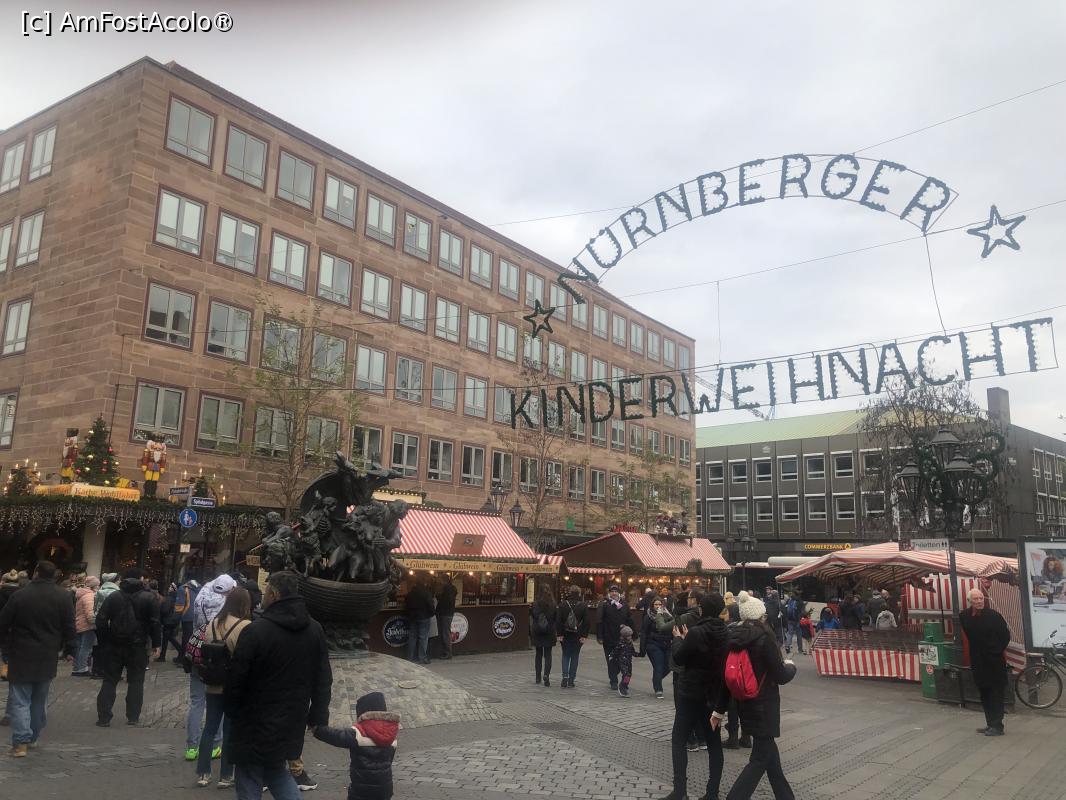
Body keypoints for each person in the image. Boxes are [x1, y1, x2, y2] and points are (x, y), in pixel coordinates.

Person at [224, 571, 332, 800]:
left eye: (265, 592)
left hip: (254, 721)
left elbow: (236, 679)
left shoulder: (256, 631)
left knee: (250, 775)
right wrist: (318, 716)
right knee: (276, 771)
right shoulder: (314, 630)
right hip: (292, 719)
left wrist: (232, 709)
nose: (262, 597)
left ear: (273, 594)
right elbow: (323, 678)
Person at [714, 591, 797, 800]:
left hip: (745, 703)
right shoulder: (764, 638)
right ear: (761, 616)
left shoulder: (734, 637)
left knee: (770, 757)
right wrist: (791, 666)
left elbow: (727, 676)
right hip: (765, 706)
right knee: (759, 760)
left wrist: (719, 710)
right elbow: (780, 676)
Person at [0, 561, 76, 757]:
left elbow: (3, 623)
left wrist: (4, 647)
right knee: (39, 699)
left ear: (36, 573)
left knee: (20, 699)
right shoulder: (63, 596)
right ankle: (33, 737)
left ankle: (21, 743)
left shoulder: (20, 595)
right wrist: (70, 648)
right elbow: (69, 625)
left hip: (21, 653)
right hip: (47, 654)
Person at [661, 592, 728, 800]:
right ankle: (712, 792)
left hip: (691, 692)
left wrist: (678, 639)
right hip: (713, 695)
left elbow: (679, 658)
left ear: (701, 609)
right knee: (714, 744)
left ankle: (680, 790)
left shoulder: (697, 632)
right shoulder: (726, 632)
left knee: (679, 739)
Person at [195, 586, 252, 787]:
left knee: (209, 727)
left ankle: (203, 773)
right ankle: (226, 775)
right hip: (233, 686)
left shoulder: (212, 624)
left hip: (212, 683)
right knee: (229, 730)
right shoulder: (244, 626)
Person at [94, 568, 161, 727]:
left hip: (114, 644)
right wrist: (156, 644)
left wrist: (105, 640)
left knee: (109, 680)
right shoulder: (149, 597)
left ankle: (104, 717)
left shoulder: (114, 596)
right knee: (136, 681)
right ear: (141, 579)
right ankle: (133, 716)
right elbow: (155, 623)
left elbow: (100, 620)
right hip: (138, 645)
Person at [185, 574, 235, 762]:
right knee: (217, 701)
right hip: (217, 655)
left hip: (199, 651)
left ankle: (191, 747)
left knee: (196, 702)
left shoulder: (201, 597)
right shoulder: (227, 604)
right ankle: (215, 745)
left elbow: (196, 624)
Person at [314, 691, 400, 800]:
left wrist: (317, 730)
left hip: (362, 790)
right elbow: (389, 760)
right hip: (385, 790)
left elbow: (337, 737)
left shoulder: (358, 732)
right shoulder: (391, 735)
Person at [958, 588, 1011, 736]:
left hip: (994, 661)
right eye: (976, 599)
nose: (979, 601)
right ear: (969, 601)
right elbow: (969, 636)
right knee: (984, 692)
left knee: (996, 693)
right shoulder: (964, 616)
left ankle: (998, 726)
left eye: (981, 598)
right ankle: (990, 723)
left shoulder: (994, 616)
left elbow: (1005, 636)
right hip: (978, 660)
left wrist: (996, 650)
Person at [597, 584, 634, 691]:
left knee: (621, 660)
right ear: (609, 593)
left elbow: (629, 619)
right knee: (611, 660)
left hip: (622, 638)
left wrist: (633, 633)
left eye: (616, 591)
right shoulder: (604, 604)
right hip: (608, 637)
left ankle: (617, 674)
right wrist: (600, 636)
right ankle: (613, 680)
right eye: (612, 591)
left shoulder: (624, 604)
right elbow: (599, 621)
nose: (614, 593)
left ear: (619, 593)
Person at [556, 586, 589, 688]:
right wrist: (584, 635)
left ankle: (565, 676)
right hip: (578, 635)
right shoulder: (583, 606)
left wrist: (559, 634)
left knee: (565, 655)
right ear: (579, 593)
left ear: (569, 593)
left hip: (565, 634)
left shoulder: (563, 605)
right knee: (575, 656)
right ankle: (571, 680)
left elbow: (558, 621)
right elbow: (587, 622)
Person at [641, 596, 673, 698]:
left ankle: (656, 679)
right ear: (652, 606)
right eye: (656, 604)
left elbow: (672, 628)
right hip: (653, 644)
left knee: (669, 666)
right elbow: (644, 633)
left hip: (666, 644)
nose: (658, 606)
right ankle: (658, 689)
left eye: (660, 604)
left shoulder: (667, 615)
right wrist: (642, 649)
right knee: (658, 666)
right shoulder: (648, 617)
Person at [72, 576, 99, 676]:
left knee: (80, 647)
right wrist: (94, 623)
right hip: (88, 625)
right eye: (97, 585)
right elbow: (90, 612)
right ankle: (82, 668)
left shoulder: (81, 594)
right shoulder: (89, 595)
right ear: (94, 585)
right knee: (86, 648)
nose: (98, 587)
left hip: (80, 623)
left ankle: (76, 668)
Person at [530, 587, 556, 687]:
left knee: (538, 654)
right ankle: (546, 675)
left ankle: (538, 677)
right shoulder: (553, 604)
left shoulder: (535, 604)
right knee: (548, 655)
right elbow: (555, 618)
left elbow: (533, 615)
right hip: (549, 631)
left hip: (537, 631)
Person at [404, 580, 434, 665]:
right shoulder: (426, 593)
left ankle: (410, 657)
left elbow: (406, 605)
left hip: (413, 618)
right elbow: (430, 605)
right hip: (424, 617)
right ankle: (422, 658)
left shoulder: (410, 594)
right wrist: (431, 613)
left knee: (412, 637)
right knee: (423, 638)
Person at [158, 583, 183, 662]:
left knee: (168, 638)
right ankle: (162, 656)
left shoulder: (169, 597)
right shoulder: (177, 597)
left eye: (170, 587)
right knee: (167, 638)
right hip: (173, 620)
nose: (169, 588)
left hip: (168, 621)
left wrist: (161, 612)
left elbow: (165, 610)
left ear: (173, 589)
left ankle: (181, 651)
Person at [610, 625, 636, 697]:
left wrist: (639, 654)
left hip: (629, 662)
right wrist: (611, 656)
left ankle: (625, 685)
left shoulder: (630, 643)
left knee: (629, 675)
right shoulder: (621, 643)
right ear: (624, 636)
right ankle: (622, 687)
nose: (630, 637)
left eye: (630, 635)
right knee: (626, 674)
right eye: (628, 636)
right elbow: (615, 651)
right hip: (622, 661)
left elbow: (632, 652)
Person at [435, 579, 458, 660]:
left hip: (444, 613)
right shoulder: (452, 589)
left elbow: (444, 601)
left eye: (441, 580)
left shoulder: (446, 590)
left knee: (445, 633)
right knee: (445, 633)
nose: (440, 582)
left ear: (445, 581)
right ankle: (446, 652)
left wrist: (438, 596)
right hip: (448, 613)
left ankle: (447, 653)